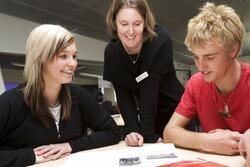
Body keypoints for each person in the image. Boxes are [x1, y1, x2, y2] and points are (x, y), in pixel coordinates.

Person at [0, 24, 120, 167]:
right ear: (40, 58)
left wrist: (69, 146)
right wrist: (32, 156)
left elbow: (112, 131)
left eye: (74, 56)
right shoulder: (9, 102)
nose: (73, 63)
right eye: (63, 56)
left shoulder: (77, 95)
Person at [163, 2, 249, 155]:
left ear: (233, 49)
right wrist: (207, 142)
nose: (200, 66)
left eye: (210, 57)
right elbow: (169, 133)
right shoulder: (195, 84)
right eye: (196, 57)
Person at [104, 0, 184, 146]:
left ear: (145, 22)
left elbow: (149, 86)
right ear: (114, 22)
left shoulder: (160, 40)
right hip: (148, 117)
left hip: (176, 114)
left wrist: (148, 135)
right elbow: (123, 94)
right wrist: (132, 131)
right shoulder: (112, 52)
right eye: (124, 24)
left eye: (137, 23)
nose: (130, 31)